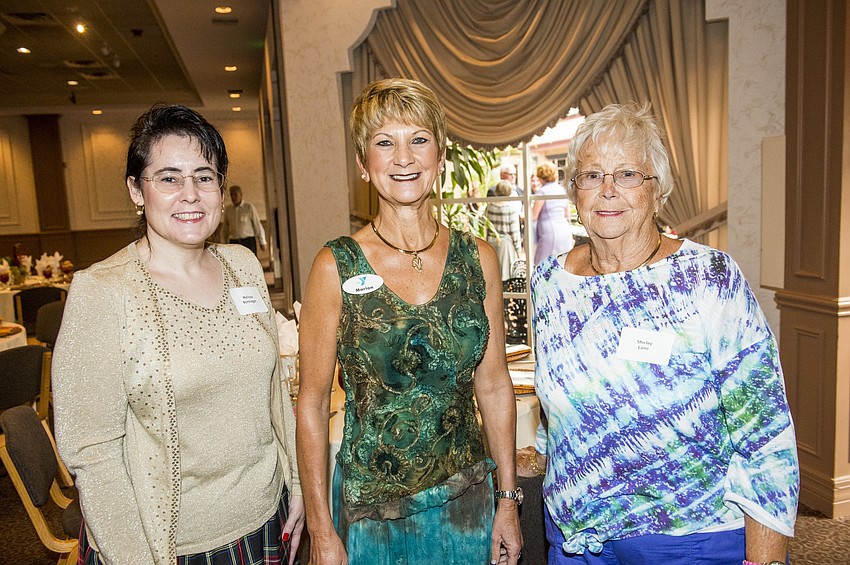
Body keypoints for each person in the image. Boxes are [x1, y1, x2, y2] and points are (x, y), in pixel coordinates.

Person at [528, 102, 799, 565]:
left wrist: (767, 557)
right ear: (575, 193)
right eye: (591, 176)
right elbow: (568, 388)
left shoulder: (709, 278)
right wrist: (539, 449)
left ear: (658, 190)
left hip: (689, 539)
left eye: (628, 174)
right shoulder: (551, 282)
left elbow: (764, 430)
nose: (608, 190)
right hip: (577, 536)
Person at [52, 104, 304, 565]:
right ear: (136, 190)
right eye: (168, 178)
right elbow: (93, 454)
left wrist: (300, 485)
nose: (190, 194)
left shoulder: (243, 267)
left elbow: (274, 391)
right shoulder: (103, 293)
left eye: (204, 177)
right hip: (169, 547)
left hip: (267, 520)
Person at [296, 78, 523, 565]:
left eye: (418, 140)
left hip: (469, 505)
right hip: (372, 518)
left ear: (439, 157)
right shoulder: (335, 267)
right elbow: (311, 405)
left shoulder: (478, 258)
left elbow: (495, 384)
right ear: (363, 164)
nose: (404, 158)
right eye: (384, 143)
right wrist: (320, 529)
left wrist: (508, 500)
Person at [532, 161, 573, 264]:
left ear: (541, 176)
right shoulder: (562, 190)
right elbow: (567, 214)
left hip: (549, 230)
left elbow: (533, 216)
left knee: (543, 264)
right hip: (564, 229)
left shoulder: (542, 192)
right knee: (563, 263)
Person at [486, 180, 523, 280]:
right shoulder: (511, 208)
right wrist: (518, 250)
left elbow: (486, 225)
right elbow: (515, 232)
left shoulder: (490, 206)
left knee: (493, 275)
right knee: (505, 277)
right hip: (505, 245)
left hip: (491, 242)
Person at [222, 184, 267, 255]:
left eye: (235, 194)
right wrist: (223, 243)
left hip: (248, 241)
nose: (233, 197)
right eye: (231, 195)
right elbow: (225, 228)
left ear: (241, 195)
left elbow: (257, 225)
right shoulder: (228, 210)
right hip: (234, 242)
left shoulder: (249, 207)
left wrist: (262, 241)